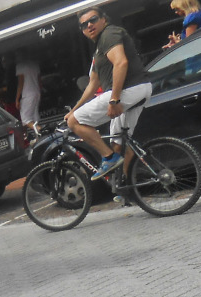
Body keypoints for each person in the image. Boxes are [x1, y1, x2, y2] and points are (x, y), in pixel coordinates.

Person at [65, 6, 153, 180]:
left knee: (75, 123)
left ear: (104, 19)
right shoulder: (99, 49)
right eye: (84, 24)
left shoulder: (109, 34)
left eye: (93, 20)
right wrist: (74, 109)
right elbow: (92, 84)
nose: (89, 25)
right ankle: (125, 186)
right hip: (140, 89)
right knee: (119, 142)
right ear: (82, 30)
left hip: (128, 90)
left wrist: (114, 100)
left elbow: (121, 63)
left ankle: (108, 158)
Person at [14, 52, 43, 136]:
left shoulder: (20, 66)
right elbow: (39, 80)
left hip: (27, 94)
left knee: (26, 119)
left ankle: (41, 131)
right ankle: (38, 137)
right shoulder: (35, 65)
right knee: (35, 117)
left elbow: (21, 82)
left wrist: (17, 98)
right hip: (36, 92)